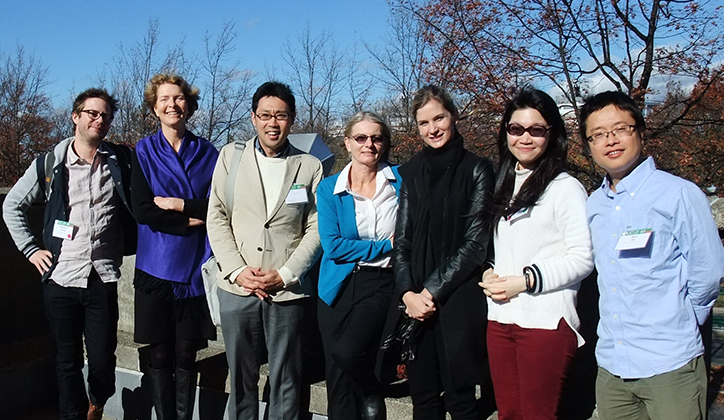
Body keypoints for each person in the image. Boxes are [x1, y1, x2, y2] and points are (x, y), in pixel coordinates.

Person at [581, 91, 724, 419]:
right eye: (599, 134)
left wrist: (681, 322)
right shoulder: (594, 204)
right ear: (589, 146)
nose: (610, 140)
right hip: (612, 367)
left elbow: (707, 271)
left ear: (640, 131)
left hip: (670, 364)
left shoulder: (678, 194)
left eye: (621, 129)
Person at [3, 88, 135, 420]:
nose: (99, 120)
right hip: (60, 278)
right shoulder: (50, 163)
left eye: (105, 116)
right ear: (76, 117)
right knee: (66, 359)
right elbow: (11, 206)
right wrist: (31, 250)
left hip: (101, 278)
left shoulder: (120, 161)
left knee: (103, 358)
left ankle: (98, 402)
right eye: (92, 113)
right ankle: (72, 415)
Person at [206, 81, 323, 420]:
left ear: (292, 119)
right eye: (266, 115)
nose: (273, 123)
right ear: (254, 117)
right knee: (240, 376)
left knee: (287, 377)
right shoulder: (231, 156)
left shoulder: (309, 166)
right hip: (237, 286)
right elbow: (216, 215)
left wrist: (286, 274)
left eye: (282, 116)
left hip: (286, 290)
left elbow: (316, 228)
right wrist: (238, 270)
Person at [479, 88, 594, 419]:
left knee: (537, 415)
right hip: (501, 319)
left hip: (545, 322)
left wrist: (526, 281)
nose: (524, 138)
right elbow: (505, 247)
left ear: (552, 134)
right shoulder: (505, 182)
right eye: (516, 129)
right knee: (509, 414)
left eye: (536, 129)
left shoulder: (565, 187)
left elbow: (582, 257)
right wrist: (489, 270)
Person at [392, 85, 496, 419]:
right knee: (423, 398)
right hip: (415, 303)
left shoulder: (478, 169)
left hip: (457, 297)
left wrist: (430, 291)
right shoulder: (411, 172)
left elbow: (476, 243)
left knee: (461, 400)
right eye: (424, 123)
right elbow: (402, 240)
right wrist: (408, 292)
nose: (433, 128)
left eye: (439, 118)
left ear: (453, 116)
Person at [131, 74, 218, 420]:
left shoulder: (208, 153)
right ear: (155, 107)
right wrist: (193, 218)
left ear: (189, 105)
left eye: (179, 98)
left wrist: (177, 204)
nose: (172, 105)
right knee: (160, 353)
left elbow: (217, 207)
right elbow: (143, 210)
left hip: (194, 267)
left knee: (186, 354)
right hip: (155, 265)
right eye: (165, 99)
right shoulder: (143, 150)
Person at [317, 111, 401, 420]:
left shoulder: (401, 181)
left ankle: (371, 390)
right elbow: (333, 246)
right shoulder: (329, 189)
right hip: (337, 286)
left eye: (377, 137)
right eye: (361, 138)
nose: (369, 144)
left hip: (383, 281)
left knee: (349, 352)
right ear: (347, 142)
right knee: (337, 377)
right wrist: (386, 245)